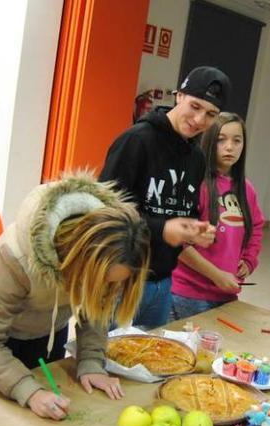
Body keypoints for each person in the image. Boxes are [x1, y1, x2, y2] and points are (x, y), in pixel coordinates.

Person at [0, 174, 150, 420]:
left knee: (46, 415)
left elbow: (96, 308)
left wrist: (92, 362)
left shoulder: (114, 250)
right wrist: (29, 392)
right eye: (100, 281)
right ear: (76, 259)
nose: (105, 289)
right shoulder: (16, 259)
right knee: (2, 421)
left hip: (48, 328)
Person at [99, 66, 231, 328]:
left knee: (151, 363)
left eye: (210, 114)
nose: (199, 119)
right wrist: (163, 228)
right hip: (121, 280)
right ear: (179, 96)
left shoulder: (196, 158)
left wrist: (193, 230)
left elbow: (183, 214)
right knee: (105, 360)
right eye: (195, 106)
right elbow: (105, 216)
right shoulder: (136, 141)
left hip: (163, 283)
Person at [170, 113, 264, 319]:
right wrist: (216, 275)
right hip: (188, 294)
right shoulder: (196, 184)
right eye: (221, 139)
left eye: (237, 140)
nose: (230, 147)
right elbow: (179, 244)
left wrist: (249, 260)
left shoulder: (247, 189)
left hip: (226, 294)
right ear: (209, 141)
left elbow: (256, 227)